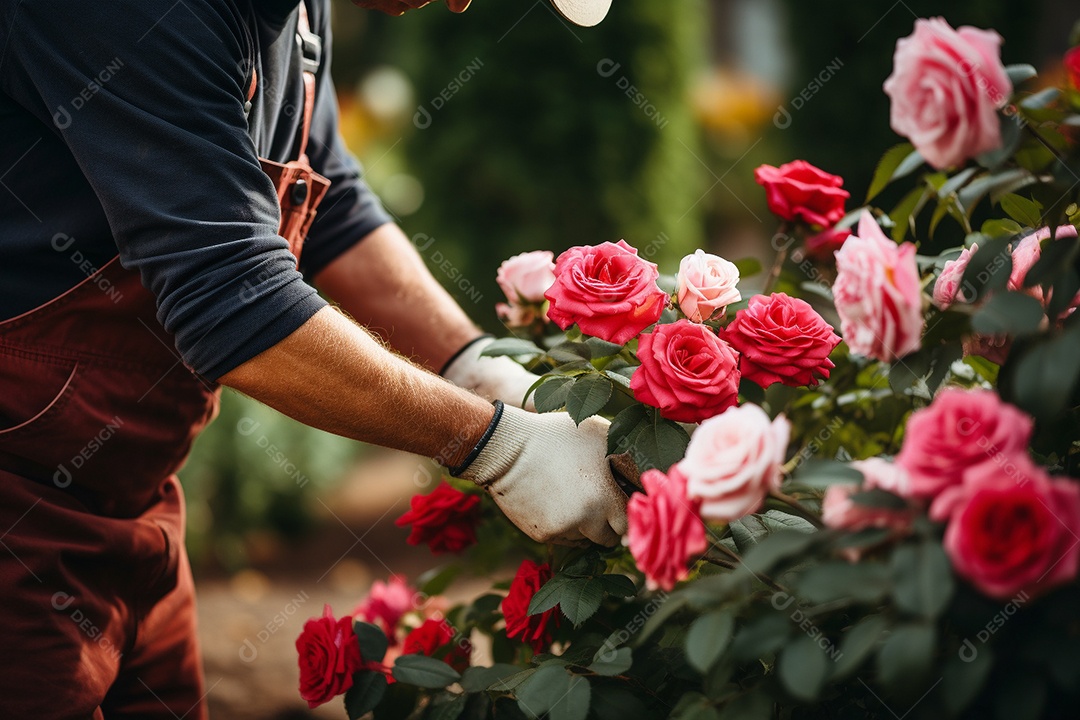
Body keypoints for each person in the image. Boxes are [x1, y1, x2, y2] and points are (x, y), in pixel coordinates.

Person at [0, 0, 618, 716]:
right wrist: (498, 447)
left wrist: (477, 365)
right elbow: (232, 297)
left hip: (130, 505)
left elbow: (333, 206)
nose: (459, 3)